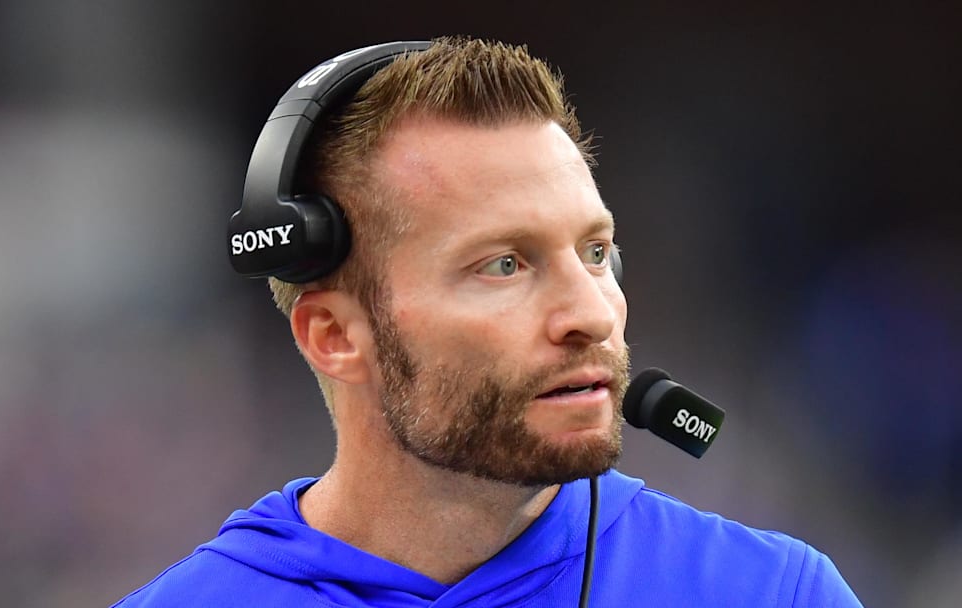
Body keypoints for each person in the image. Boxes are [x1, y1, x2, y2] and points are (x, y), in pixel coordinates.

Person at [112, 36, 862, 607]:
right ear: (335, 337)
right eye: (504, 264)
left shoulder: (770, 592)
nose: (592, 314)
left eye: (596, 252)